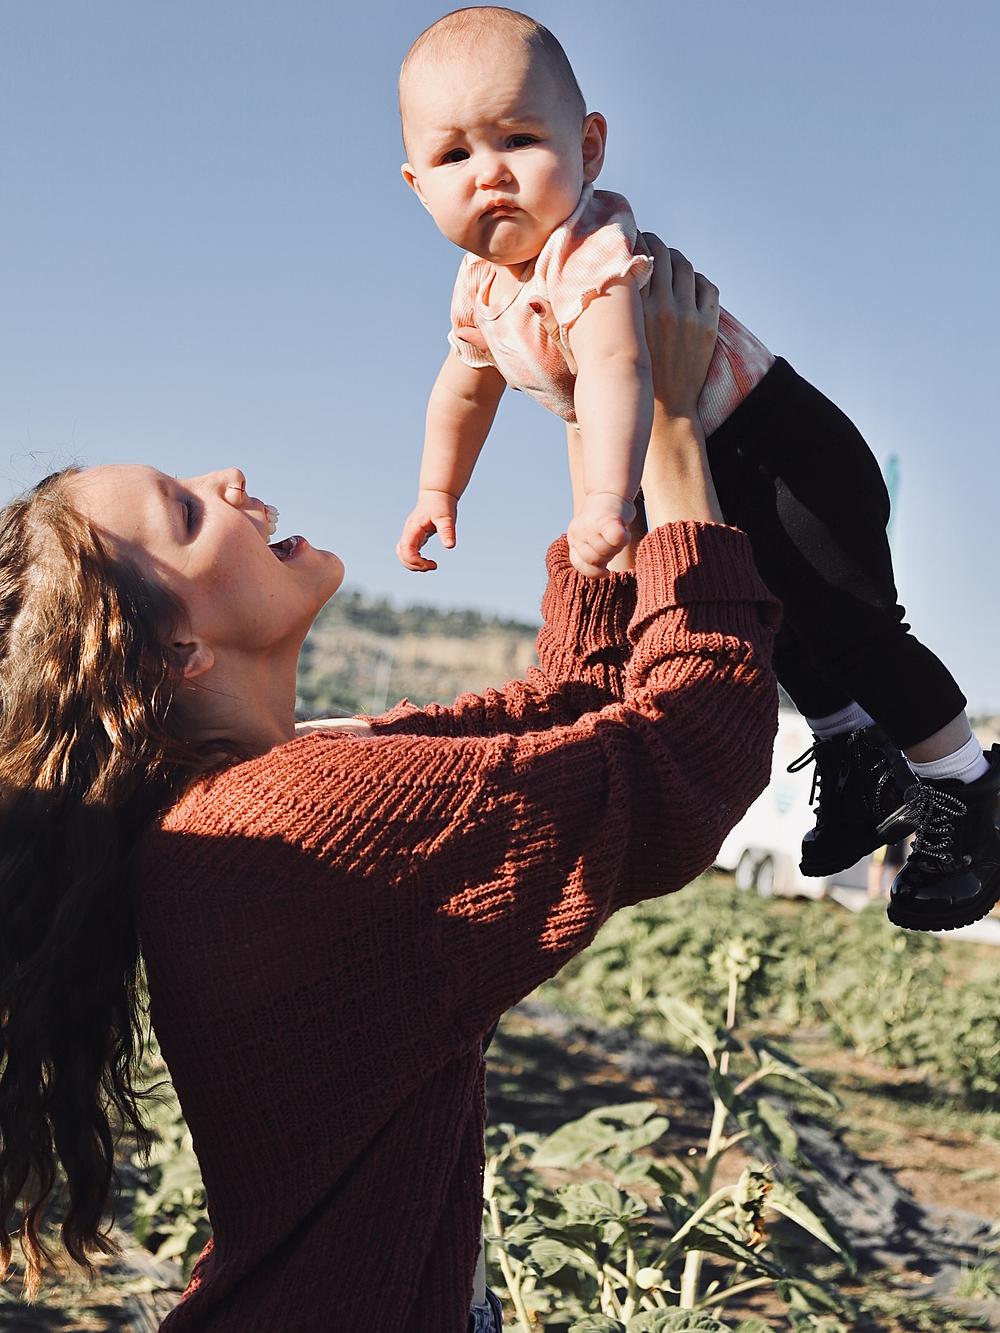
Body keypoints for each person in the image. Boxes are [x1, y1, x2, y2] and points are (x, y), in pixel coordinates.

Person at [0, 245, 779, 1330]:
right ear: (177, 653)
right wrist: (676, 432)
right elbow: (689, 750)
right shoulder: (295, 816)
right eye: (185, 511)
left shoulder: (267, 791)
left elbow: (566, 707)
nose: (227, 479)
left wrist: (597, 406)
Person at [393, 6, 1000, 933]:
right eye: (454, 156)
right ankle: (858, 763)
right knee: (775, 626)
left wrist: (606, 499)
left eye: (518, 139)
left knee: (853, 629)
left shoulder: (588, 252)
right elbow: (461, 391)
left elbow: (618, 369)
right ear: (417, 186)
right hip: (709, 461)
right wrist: (438, 491)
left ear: (588, 148)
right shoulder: (482, 290)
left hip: (782, 449)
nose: (491, 172)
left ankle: (967, 787)